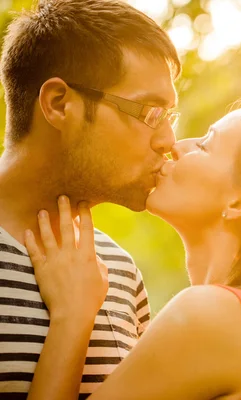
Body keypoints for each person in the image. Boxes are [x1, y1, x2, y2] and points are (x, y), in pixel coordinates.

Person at [25, 95, 241, 399]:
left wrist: (71, 318)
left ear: (240, 202)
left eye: (206, 144)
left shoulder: (213, 315)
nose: (177, 145)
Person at [0, 0, 180, 398]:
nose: (168, 141)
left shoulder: (119, 270)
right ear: (59, 104)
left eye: (171, 116)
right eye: (150, 112)